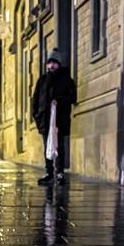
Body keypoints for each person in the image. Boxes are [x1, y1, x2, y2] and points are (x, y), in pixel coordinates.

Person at [32, 49, 77, 185]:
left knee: (59, 146)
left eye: (54, 63)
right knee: (47, 146)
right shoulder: (42, 80)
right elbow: (35, 99)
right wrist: (37, 115)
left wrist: (59, 101)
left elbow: (73, 98)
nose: (51, 65)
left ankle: (60, 172)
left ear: (59, 64)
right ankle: (49, 172)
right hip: (45, 119)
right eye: (49, 63)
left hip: (59, 119)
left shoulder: (66, 80)